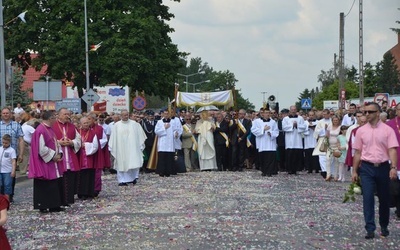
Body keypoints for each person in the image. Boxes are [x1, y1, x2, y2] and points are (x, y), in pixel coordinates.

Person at [352, 102, 398, 239]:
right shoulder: (361, 131)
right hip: (366, 167)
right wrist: (354, 171)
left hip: (383, 167)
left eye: (370, 112)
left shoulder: (387, 130)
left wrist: (393, 167)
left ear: (377, 113)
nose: (366, 114)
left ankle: (384, 225)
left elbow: (392, 149)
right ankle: (370, 228)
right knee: (367, 197)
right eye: (365, 112)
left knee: (384, 198)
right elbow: (358, 152)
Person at [28, 111, 65, 213]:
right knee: (46, 183)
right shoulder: (40, 130)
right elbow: (41, 148)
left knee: (54, 183)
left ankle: (54, 205)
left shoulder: (49, 129)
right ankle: (44, 205)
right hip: (44, 162)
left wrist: (60, 154)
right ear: (49, 119)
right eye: (54, 118)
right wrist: (53, 156)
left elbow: (55, 143)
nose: (55, 120)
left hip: (52, 161)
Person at [109, 110, 147, 186]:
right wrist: (112, 147)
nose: (126, 116)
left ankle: (133, 178)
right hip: (121, 148)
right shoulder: (117, 125)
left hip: (132, 147)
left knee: (133, 162)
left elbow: (140, 135)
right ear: (121, 116)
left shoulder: (134, 124)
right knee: (121, 163)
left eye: (127, 115)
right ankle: (122, 180)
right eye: (124, 115)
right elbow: (113, 137)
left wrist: (140, 146)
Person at [52, 108, 81, 205]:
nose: (67, 116)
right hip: (59, 157)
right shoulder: (53, 126)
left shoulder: (72, 126)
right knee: (60, 179)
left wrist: (71, 142)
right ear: (59, 115)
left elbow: (78, 140)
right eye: (65, 114)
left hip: (70, 155)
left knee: (70, 179)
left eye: (68, 114)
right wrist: (59, 142)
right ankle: (60, 200)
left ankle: (69, 199)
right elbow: (49, 140)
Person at [0, 108, 24, 203]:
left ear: (10, 114)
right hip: (1, 155)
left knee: (11, 176)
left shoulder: (16, 125)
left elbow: (21, 139)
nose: (5, 115)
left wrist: (21, 154)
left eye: (7, 113)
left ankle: (10, 195)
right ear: (1, 114)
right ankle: (2, 197)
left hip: (13, 154)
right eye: (4, 113)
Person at [251, 109, 279, 176]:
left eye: (268, 113)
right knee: (263, 158)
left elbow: (276, 131)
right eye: (266, 113)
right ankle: (264, 171)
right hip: (262, 143)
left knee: (270, 158)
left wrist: (271, 133)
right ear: (262, 114)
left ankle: (269, 172)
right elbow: (253, 130)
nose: (267, 114)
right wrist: (263, 130)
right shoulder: (257, 121)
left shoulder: (273, 122)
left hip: (270, 143)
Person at [155, 109, 181, 177]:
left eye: (167, 113)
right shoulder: (159, 122)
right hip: (163, 142)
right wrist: (164, 128)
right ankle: (161, 171)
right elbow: (157, 131)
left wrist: (176, 133)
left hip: (170, 143)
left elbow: (175, 130)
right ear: (162, 114)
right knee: (162, 158)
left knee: (169, 158)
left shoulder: (172, 122)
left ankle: (168, 172)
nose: (166, 115)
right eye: (165, 113)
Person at [77, 117, 98, 199]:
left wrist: (86, 145)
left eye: (87, 123)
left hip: (89, 157)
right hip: (80, 156)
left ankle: (89, 192)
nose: (86, 124)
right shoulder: (77, 132)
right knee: (81, 176)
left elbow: (95, 146)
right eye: (84, 123)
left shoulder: (93, 132)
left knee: (90, 174)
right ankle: (81, 193)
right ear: (80, 124)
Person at [282, 105, 306, 175]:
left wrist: (297, 125)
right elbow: (284, 127)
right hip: (289, 140)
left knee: (297, 155)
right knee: (289, 155)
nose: (293, 111)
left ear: (296, 110)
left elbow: (304, 127)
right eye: (292, 110)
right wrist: (292, 126)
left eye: (294, 109)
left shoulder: (301, 118)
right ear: (290, 110)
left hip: (297, 140)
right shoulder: (285, 119)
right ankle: (289, 169)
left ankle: (296, 169)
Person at [0, 135, 16, 201]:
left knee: (7, 186)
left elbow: (13, 161)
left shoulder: (11, 151)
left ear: (9, 142)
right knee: (1, 185)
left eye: (6, 143)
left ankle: (7, 200)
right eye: (3, 142)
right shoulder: (0, 149)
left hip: (7, 171)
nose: (4, 144)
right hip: (0, 170)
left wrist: (13, 171)